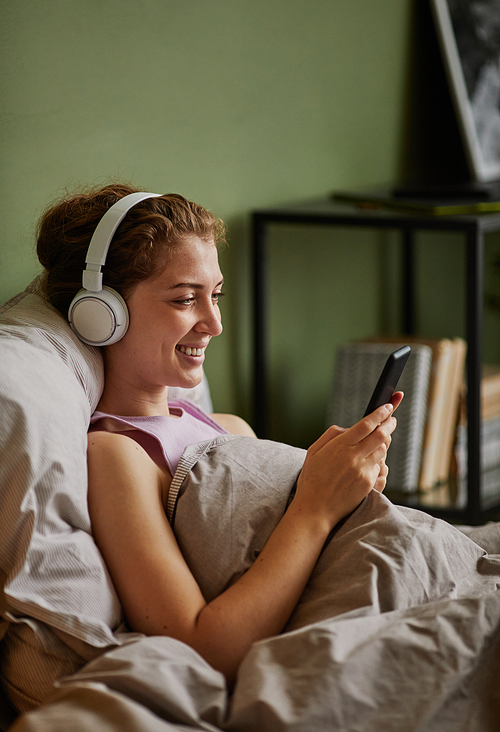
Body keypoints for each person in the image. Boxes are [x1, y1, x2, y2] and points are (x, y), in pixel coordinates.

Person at [36, 182, 402, 686]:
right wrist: (316, 507)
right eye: (186, 299)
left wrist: (353, 488)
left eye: (216, 295)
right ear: (102, 315)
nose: (214, 323)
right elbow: (200, 647)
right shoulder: (117, 456)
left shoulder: (227, 427)